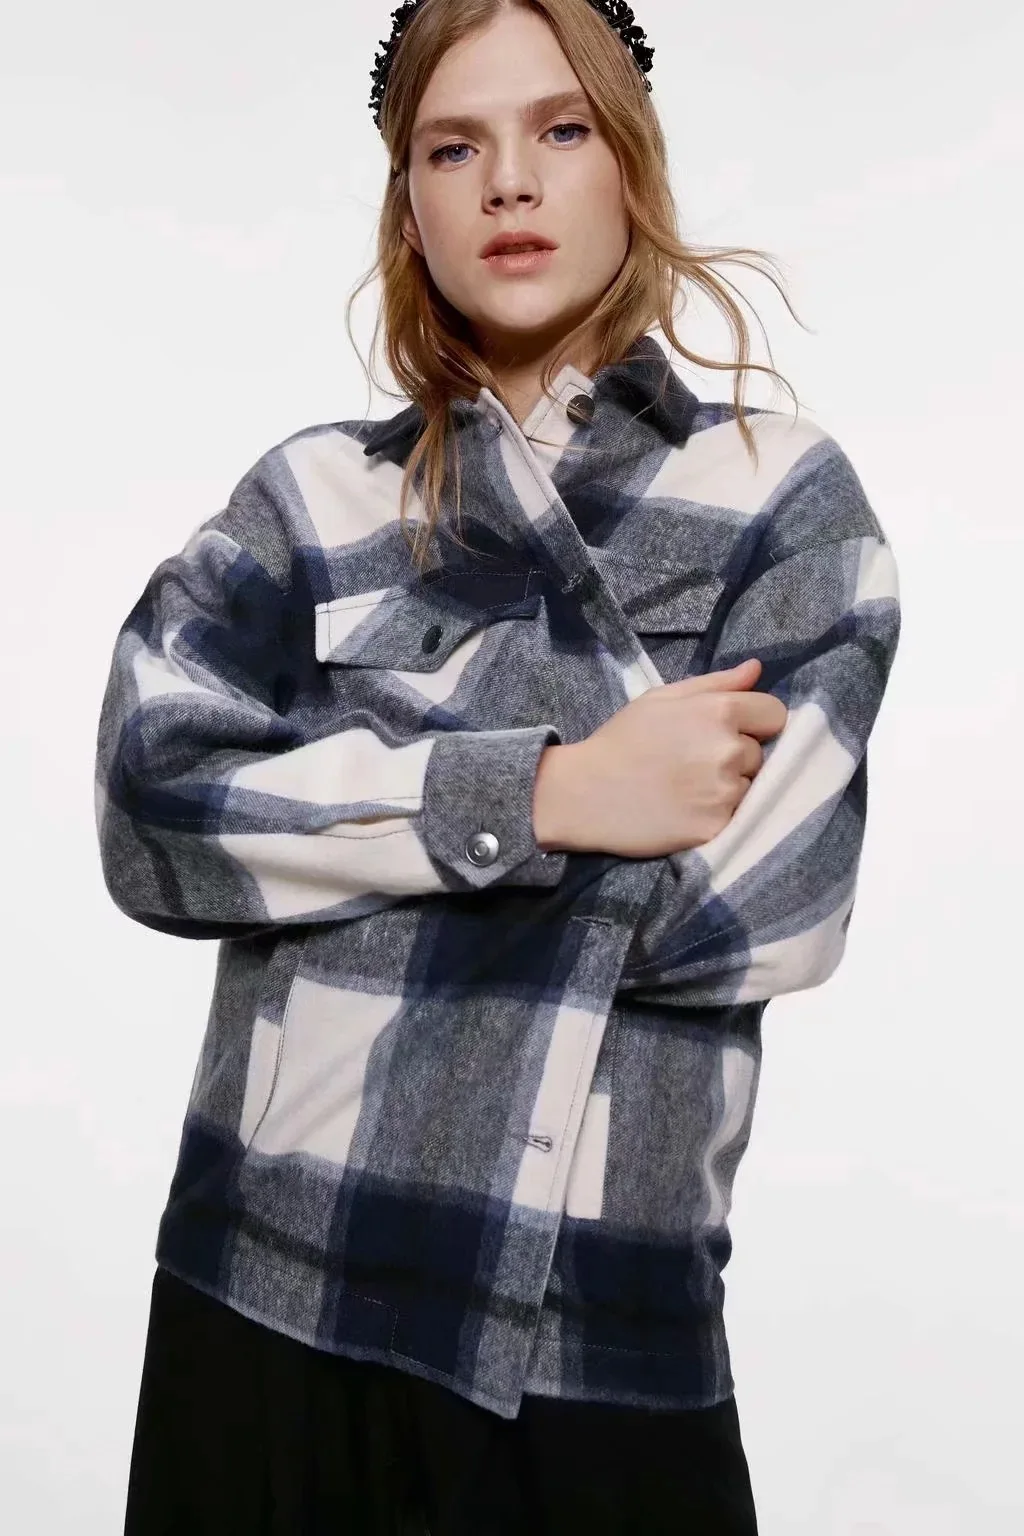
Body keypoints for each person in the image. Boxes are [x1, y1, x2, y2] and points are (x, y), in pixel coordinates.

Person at [94, 1, 902, 1532]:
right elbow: (153, 809)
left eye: (560, 129)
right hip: (261, 1299)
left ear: (629, 162)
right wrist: (549, 794)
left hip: (598, 1330)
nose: (510, 182)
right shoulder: (310, 497)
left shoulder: (778, 496)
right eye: (454, 147)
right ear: (409, 203)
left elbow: (759, 910)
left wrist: (327, 848)